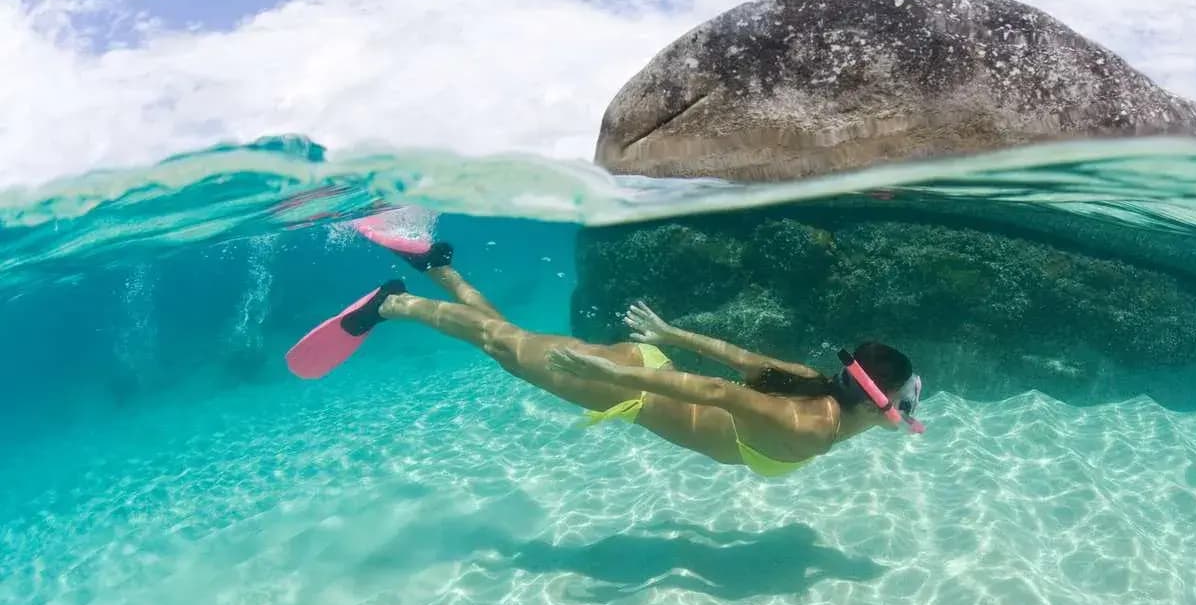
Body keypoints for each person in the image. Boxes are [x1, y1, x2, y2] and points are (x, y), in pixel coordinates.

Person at [286, 226, 924, 478]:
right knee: (502, 343)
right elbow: (717, 391)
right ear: (883, 403)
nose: (910, 408)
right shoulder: (811, 426)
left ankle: (437, 265)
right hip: (628, 385)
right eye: (909, 398)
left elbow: (733, 356)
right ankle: (392, 304)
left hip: (646, 370)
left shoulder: (814, 386)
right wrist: (598, 369)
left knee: (509, 342)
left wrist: (669, 339)